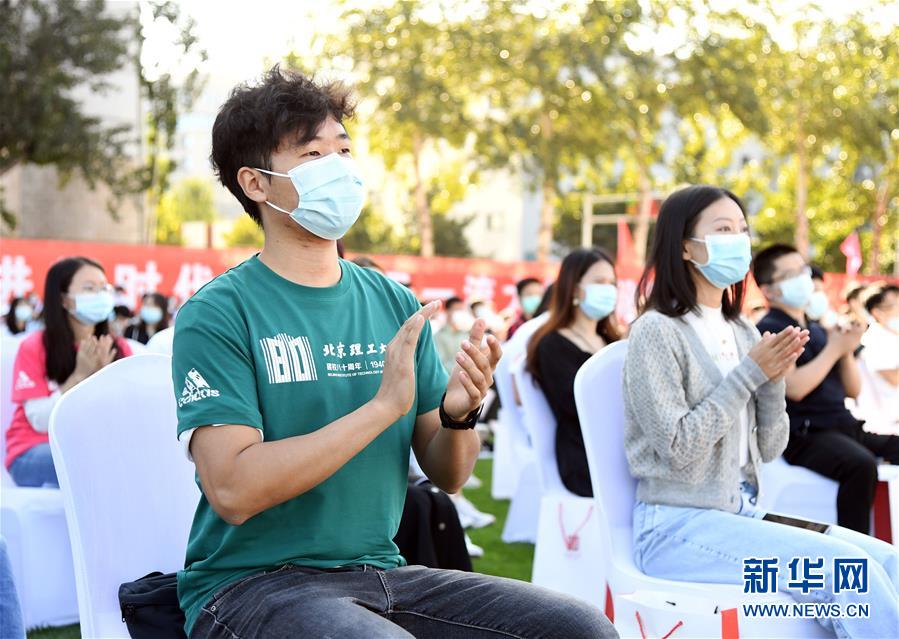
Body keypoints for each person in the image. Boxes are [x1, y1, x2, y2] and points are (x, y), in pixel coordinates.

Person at [172, 66, 616, 639]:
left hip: (380, 573)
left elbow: (449, 474)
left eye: (344, 150)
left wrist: (460, 413)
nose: (339, 168)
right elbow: (234, 490)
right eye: (313, 155)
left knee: (580, 627)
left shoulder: (392, 302)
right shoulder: (218, 312)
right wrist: (382, 408)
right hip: (249, 587)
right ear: (256, 184)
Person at [623, 185, 897, 639]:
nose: (738, 240)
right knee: (849, 573)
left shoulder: (743, 331)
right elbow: (676, 448)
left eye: (742, 229)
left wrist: (772, 382)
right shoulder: (657, 331)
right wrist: (750, 375)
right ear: (685, 247)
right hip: (674, 530)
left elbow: (770, 447)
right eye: (723, 229)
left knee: (887, 560)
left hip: (741, 516)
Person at [754, 244, 899, 534]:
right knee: (860, 465)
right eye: (791, 274)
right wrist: (835, 349)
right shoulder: (771, 329)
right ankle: (854, 547)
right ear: (768, 290)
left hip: (843, 425)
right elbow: (794, 388)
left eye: (803, 270)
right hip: (805, 434)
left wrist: (845, 350)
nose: (803, 278)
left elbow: (853, 390)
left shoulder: (819, 329)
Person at [5, 257, 132, 487]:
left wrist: (105, 378)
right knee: (93, 462)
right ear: (63, 299)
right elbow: (39, 421)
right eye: (89, 288)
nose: (100, 295)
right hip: (33, 451)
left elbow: (125, 415)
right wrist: (80, 376)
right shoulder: (35, 347)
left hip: (94, 447)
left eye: (104, 288)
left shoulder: (118, 347)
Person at [526, 248, 621, 496]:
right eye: (599, 282)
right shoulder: (552, 344)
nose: (608, 290)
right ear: (574, 288)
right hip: (585, 457)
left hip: (620, 449)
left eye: (612, 283)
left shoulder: (612, 340)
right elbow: (576, 406)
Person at [857, 284, 899, 434]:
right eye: (896, 305)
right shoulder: (875, 339)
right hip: (887, 424)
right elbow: (894, 378)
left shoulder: (892, 335)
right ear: (877, 312)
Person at [434, 296, 475, 374]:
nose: (459, 314)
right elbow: (440, 363)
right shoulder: (438, 336)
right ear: (447, 312)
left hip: (468, 377)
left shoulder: (467, 334)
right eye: (456, 310)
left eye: (461, 310)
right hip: (449, 378)